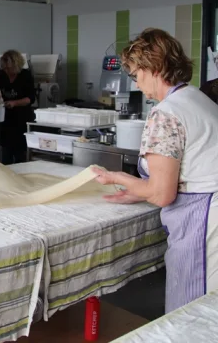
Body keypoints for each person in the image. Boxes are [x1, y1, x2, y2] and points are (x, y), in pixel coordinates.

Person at [93, 28, 218, 313]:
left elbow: (162, 193)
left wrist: (116, 177)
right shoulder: (197, 99)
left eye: (137, 75)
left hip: (203, 221)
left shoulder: (166, 113)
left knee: (193, 312)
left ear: (154, 67)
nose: (136, 84)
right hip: (210, 209)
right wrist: (137, 192)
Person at [0, 50, 35, 164]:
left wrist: (14, 103)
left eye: (9, 68)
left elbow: (30, 99)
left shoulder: (25, 75)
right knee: (6, 153)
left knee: (20, 154)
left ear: (16, 65)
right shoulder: (1, 75)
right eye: (4, 68)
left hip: (21, 119)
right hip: (6, 119)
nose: (6, 71)